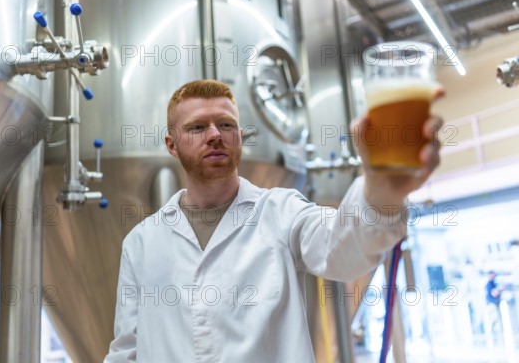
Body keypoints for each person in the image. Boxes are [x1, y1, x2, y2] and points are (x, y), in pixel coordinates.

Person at [104, 79, 443, 362]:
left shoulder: (282, 212)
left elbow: (343, 250)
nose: (214, 135)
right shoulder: (142, 241)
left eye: (225, 124)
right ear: (172, 145)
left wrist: (381, 192)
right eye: (196, 127)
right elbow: (126, 350)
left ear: (239, 136)